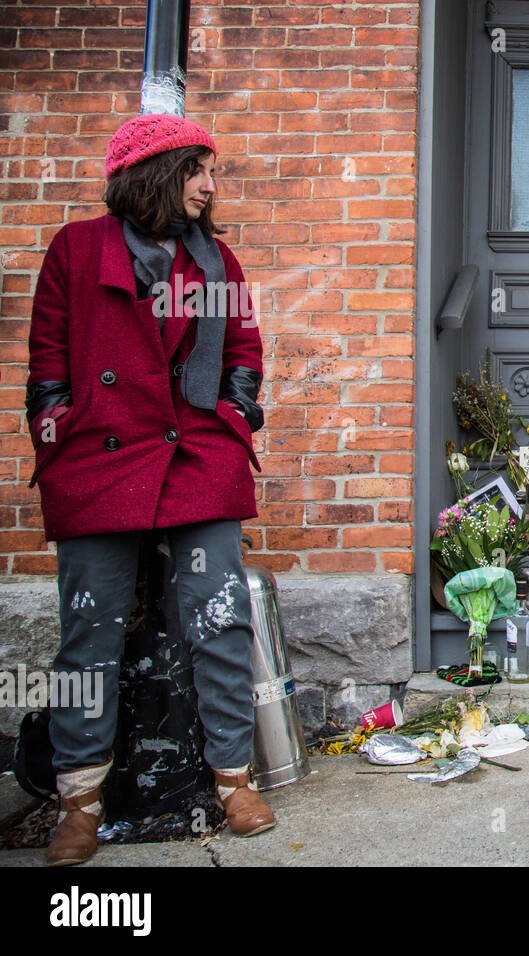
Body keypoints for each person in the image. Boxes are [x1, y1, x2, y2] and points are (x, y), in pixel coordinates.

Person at [26, 114, 274, 865]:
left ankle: (233, 778)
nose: (208, 184)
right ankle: (80, 801)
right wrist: (57, 420)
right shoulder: (76, 251)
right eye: (197, 168)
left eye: (209, 170)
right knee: (87, 635)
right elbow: (47, 356)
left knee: (221, 619)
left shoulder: (216, 261)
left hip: (197, 452)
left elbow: (242, 347)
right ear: (156, 172)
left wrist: (235, 409)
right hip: (101, 459)